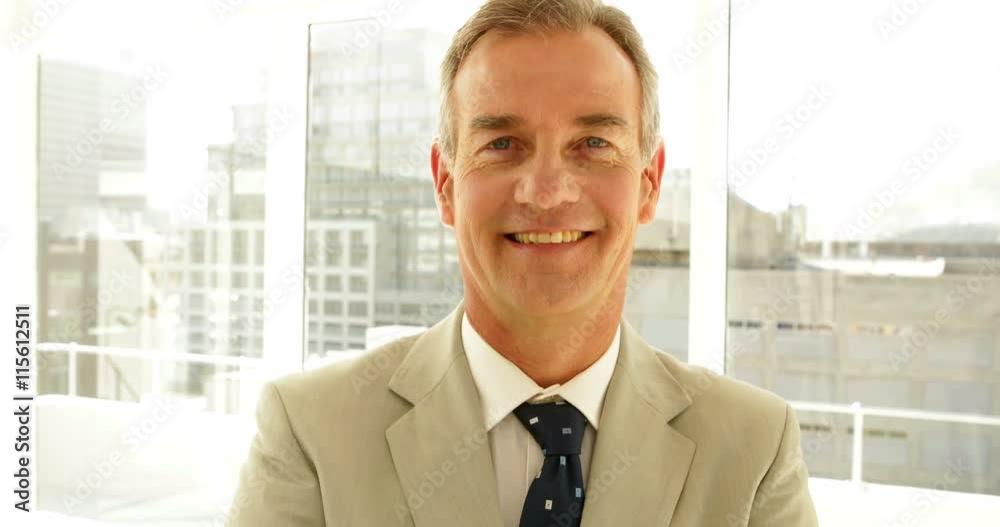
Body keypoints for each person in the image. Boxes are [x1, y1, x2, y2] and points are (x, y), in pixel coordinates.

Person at [227, 0, 819, 525]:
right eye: (502, 144)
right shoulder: (311, 433)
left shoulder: (754, 450)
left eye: (594, 144)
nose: (547, 191)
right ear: (444, 185)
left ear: (649, 183)